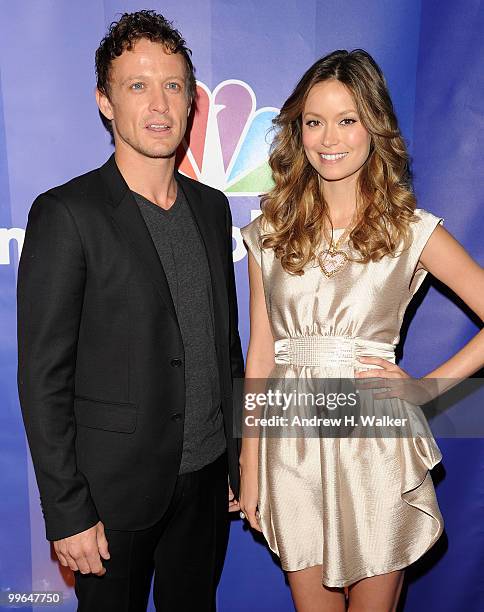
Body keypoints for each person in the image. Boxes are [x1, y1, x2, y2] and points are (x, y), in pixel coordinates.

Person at [239, 49, 484, 611]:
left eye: (347, 120)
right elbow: (260, 356)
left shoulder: (410, 231)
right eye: (314, 121)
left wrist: (426, 388)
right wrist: (250, 465)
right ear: (297, 129)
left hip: (374, 444)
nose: (329, 138)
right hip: (290, 449)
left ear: (374, 127)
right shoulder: (268, 232)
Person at [17, 10, 243, 612]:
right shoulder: (68, 214)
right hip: (111, 497)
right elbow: (44, 379)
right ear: (105, 102)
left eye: (172, 85)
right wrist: (67, 512)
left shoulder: (213, 209)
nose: (159, 104)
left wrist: (235, 459)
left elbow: (224, 346)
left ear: (193, 101)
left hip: (206, 484)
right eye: (137, 86)